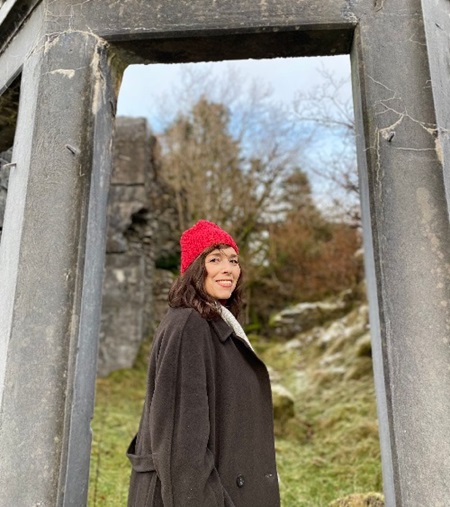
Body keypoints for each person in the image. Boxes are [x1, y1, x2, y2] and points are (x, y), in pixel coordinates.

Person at [127, 220, 280, 507]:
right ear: (195, 269)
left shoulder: (213, 323)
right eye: (215, 259)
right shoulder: (189, 326)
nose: (228, 268)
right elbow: (182, 447)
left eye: (233, 260)